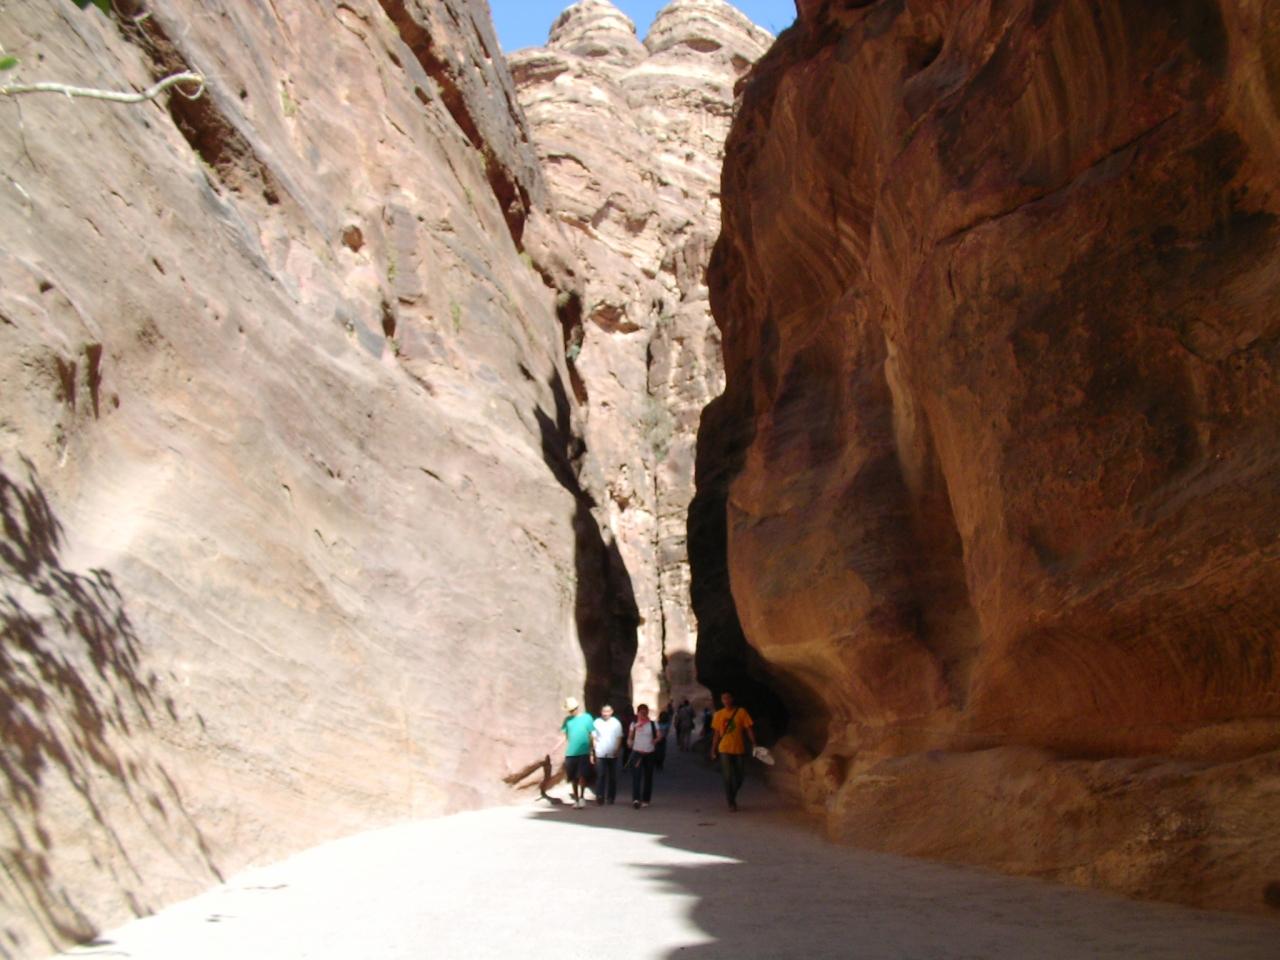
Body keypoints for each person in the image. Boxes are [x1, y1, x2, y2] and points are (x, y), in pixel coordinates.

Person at [710, 691, 756, 811]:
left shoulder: (741, 712)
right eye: (723, 698)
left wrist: (754, 743)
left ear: (732, 699)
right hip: (724, 748)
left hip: (739, 748)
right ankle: (731, 802)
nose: (726, 700)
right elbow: (716, 734)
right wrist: (713, 749)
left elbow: (748, 729)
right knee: (727, 776)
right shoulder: (718, 714)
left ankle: (732, 796)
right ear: (721, 701)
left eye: (728, 698)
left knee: (740, 776)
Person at [556, 696, 595, 809]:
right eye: (570, 710)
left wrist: (592, 751)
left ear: (577, 708)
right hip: (571, 753)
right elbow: (564, 736)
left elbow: (592, 734)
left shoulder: (587, 718)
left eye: (572, 710)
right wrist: (556, 747)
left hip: (583, 751)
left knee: (582, 775)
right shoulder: (567, 720)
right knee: (573, 777)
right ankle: (576, 799)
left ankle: (582, 797)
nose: (571, 712)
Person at [627, 703, 663, 808]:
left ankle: (646, 799)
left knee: (648, 777)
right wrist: (629, 742)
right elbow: (630, 737)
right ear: (637, 713)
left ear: (647, 712)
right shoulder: (634, 724)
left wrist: (656, 740)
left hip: (649, 753)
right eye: (641, 712)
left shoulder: (653, 724)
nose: (643, 714)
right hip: (637, 753)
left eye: (645, 712)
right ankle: (636, 799)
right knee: (636, 776)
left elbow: (659, 735)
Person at [590, 704, 623, 805]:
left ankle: (611, 797)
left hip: (612, 753)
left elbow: (619, 737)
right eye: (604, 711)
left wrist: (617, 749)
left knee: (612, 776)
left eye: (608, 711)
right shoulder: (596, 722)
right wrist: (593, 750)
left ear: (611, 712)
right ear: (601, 712)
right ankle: (600, 796)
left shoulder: (616, 723)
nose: (605, 714)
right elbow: (593, 737)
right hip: (600, 752)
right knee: (600, 775)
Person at [655, 703, 673, 770]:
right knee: (661, 752)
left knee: (659, 752)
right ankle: (659, 764)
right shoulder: (666, 724)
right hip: (662, 739)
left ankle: (659, 764)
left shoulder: (658, 723)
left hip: (660, 739)